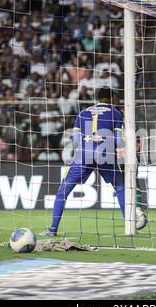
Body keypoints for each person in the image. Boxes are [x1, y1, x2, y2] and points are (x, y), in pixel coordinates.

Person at [40, 87, 128, 236]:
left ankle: (53, 229)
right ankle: (130, 226)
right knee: (120, 187)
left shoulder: (82, 113)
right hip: (105, 154)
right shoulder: (116, 113)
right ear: (112, 98)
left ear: (98, 98)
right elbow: (119, 142)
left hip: (84, 155)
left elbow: (74, 142)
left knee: (63, 191)